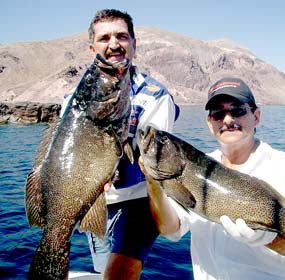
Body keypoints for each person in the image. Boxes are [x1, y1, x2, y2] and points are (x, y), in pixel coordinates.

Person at [142, 77, 285, 279]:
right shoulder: (194, 169)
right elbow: (170, 229)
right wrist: (153, 184)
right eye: (218, 114)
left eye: (237, 110)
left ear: (256, 116)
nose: (228, 120)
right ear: (210, 123)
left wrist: (266, 237)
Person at [60, 9, 179, 280]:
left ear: (134, 44)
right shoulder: (71, 100)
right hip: (93, 202)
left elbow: (152, 162)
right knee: (103, 271)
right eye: (104, 38)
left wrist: (107, 171)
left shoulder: (156, 98)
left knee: (117, 275)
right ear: (93, 47)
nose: (114, 44)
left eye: (122, 36)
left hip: (138, 202)